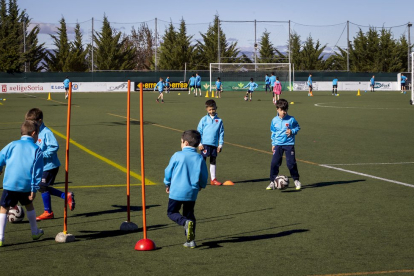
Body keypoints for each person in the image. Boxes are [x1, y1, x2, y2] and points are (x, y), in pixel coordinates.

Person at [25, 108, 75, 221]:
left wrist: (41, 155)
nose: (30, 124)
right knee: (41, 187)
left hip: (50, 166)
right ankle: (66, 196)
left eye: (32, 122)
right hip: (41, 166)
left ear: (40, 120)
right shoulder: (34, 132)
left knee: (43, 186)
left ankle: (48, 212)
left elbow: (54, 147)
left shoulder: (46, 132)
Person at [0, 120, 44, 246]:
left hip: (10, 184)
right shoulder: (37, 149)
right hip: (25, 185)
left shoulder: (12, 144)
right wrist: (34, 189)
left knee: (3, 207)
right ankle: (35, 231)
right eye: (38, 135)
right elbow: (38, 171)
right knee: (29, 205)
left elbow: (0, 157)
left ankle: (0, 237)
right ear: (34, 133)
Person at [164, 130, 208, 249]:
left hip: (176, 191)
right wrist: (201, 185)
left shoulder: (177, 155)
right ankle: (191, 241)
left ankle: (184, 223)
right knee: (189, 214)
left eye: (181, 142)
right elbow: (204, 175)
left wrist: (167, 183)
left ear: (186, 143)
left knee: (172, 212)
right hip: (191, 192)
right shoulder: (199, 158)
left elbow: (168, 171)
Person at [267, 99, 301, 191]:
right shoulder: (274, 120)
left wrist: (292, 131)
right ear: (277, 109)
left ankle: (296, 180)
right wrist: (273, 144)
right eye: (282, 110)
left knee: (291, 164)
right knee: (274, 163)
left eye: (285, 110)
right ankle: (272, 181)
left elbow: (297, 127)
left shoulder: (291, 119)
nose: (284, 112)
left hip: (289, 144)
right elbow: (273, 132)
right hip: (278, 144)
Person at [197, 100, 224, 185]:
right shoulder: (204, 119)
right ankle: (200, 178)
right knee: (203, 161)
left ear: (216, 108)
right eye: (210, 110)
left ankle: (213, 179)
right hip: (204, 144)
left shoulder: (219, 121)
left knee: (213, 161)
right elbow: (199, 131)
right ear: (206, 109)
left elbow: (221, 133)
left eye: (213, 109)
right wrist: (199, 143)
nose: (211, 111)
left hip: (214, 145)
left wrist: (220, 145)